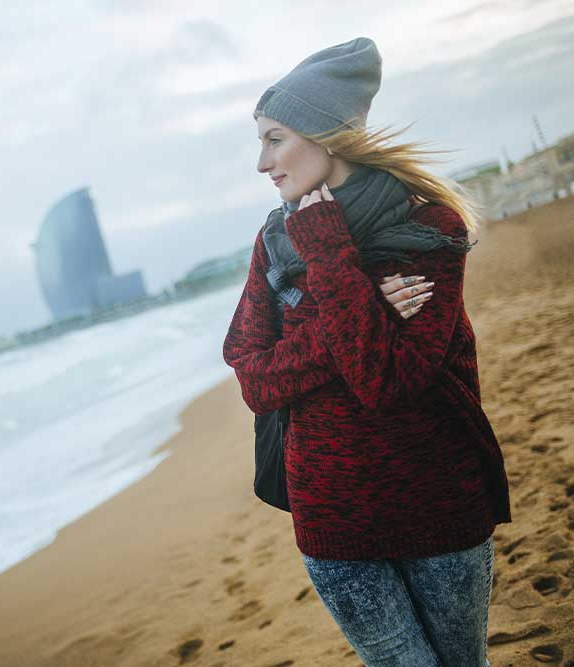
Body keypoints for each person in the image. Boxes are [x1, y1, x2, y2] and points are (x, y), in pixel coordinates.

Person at [222, 37, 512, 667]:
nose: (262, 162)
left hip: (439, 498)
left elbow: (386, 379)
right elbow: (252, 378)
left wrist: (328, 251)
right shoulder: (275, 241)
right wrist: (363, 312)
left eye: (274, 139)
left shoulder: (430, 229)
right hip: (334, 522)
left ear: (325, 135)